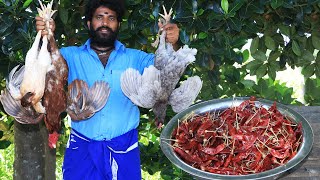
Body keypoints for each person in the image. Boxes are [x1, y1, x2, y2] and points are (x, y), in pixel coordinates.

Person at [36, 0, 180, 179]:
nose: (105, 23)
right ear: (89, 23)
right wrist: (45, 35)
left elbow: (167, 70)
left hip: (124, 148)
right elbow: (41, 68)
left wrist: (172, 43)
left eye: (111, 18)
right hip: (82, 148)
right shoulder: (70, 56)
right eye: (99, 17)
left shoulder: (136, 58)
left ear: (118, 24)